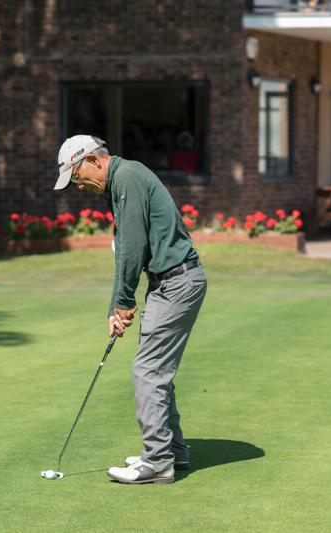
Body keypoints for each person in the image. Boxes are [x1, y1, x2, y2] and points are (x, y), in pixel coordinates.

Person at [53, 134, 207, 485]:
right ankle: (174, 450)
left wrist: (124, 300)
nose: (78, 186)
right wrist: (116, 305)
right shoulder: (121, 182)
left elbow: (134, 248)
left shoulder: (127, 178)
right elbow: (125, 247)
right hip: (169, 283)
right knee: (156, 370)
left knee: (148, 371)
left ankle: (157, 461)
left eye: (77, 176)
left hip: (176, 282)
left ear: (92, 160)